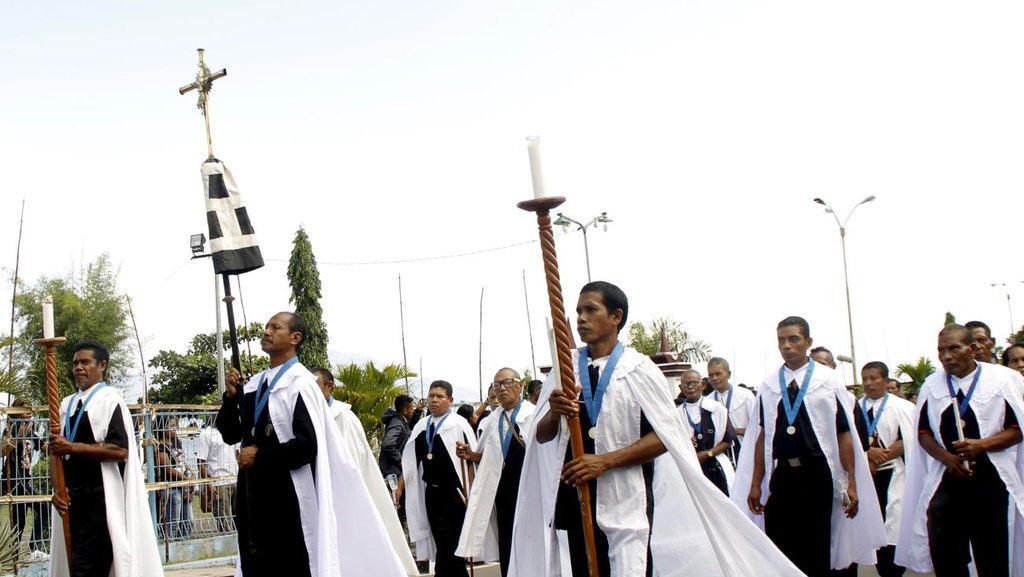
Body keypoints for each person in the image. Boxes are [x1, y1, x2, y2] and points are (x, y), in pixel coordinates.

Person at [511, 281, 807, 577]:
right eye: (578, 311)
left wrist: (605, 461)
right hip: (578, 498)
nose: (581, 319)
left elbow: (666, 437)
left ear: (616, 316)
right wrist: (554, 413)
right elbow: (543, 436)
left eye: (590, 310)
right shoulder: (566, 369)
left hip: (628, 499)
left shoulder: (638, 368)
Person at [218, 312, 405, 577]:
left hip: (288, 496)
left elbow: (307, 446)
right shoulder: (254, 385)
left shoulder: (301, 384)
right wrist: (230, 398)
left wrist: (260, 457)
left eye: (275, 327)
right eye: (266, 327)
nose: (267, 332)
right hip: (253, 494)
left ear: (295, 338)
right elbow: (231, 435)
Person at [733, 316, 885, 577]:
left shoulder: (827, 381)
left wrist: (851, 481)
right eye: (781, 340)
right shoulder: (770, 384)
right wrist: (756, 483)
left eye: (793, 339)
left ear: (808, 342)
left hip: (817, 475)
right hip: (783, 475)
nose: (786, 346)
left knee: (816, 548)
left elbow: (843, 434)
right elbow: (763, 435)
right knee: (781, 547)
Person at [896, 324, 1024, 576]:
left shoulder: (1003, 380)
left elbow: (1017, 429)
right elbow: (923, 433)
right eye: (941, 350)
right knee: (946, 557)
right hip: (948, 482)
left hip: (990, 482)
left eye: (954, 349)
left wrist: (981, 445)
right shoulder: (932, 385)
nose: (946, 356)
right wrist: (946, 458)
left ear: (973, 348)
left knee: (992, 558)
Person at [48, 340, 163, 577]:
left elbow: (120, 450)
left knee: (86, 566)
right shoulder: (67, 405)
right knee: (75, 564)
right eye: (75, 363)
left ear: (102, 365)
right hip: (72, 499)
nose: (78, 367)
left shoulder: (111, 401)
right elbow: (55, 451)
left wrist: (73, 447)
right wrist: (58, 489)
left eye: (85, 362)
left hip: (101, 499)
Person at [311, 367, 418, 576]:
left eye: (314, 387)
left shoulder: (342, 418)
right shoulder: (313, 416)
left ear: (329, 386)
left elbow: (350, 466)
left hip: (345, 499)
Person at [457, 368, 534, 577]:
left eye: (507, 382)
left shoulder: (532, 415)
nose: (501, 389)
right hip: (503, 492)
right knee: (507, 539)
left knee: (531, 539)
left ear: (520, 385)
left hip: (529, 489)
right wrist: (471, 455)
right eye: (496, 385)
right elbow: (487, 458)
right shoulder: (491, 421)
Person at [397, 380, 478, 577]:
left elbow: (471, 462)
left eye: (440, 396)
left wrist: (471, 493)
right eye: (431, 396)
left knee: (452, 546)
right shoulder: (422, 426)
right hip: (432, 494)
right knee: (440, 542)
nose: (434, 400)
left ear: (450, 400)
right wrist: (399, 488)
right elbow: (411, 462)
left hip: (455, 494)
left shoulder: (459, 425)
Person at [853, 362, 915, 577]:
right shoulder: (854, 408)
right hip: (865, 476)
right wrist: (868, 452)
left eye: (874, 378)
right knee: (870, 529)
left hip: (893, 473)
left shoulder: (903, 408)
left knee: (894, 528)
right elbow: (849, 439)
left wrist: (882, 456)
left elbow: (909, 439)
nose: (868, 384)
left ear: (886, 381)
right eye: (865, 379)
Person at [3, 399, 48, 558]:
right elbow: (3, 450)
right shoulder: (12, 429)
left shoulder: (31, 431)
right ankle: (32, 549)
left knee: (19, 521)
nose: (29, 413)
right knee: (44, 507)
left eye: (30, 410)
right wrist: (17, 438)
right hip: (15, 480)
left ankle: (13, 557)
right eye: (25, 410)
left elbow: (44, 447)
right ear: (16, 412)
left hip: (25, 479)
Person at [678, 369, 735, 495]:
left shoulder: (717, 409)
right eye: (686, 384)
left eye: (694, 383)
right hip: (690, 467)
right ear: (681, 388)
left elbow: (728, 441)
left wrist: (708, 454)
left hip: (716, 467)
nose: (690, 387)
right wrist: (685, 442)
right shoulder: (677, 414)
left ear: (702, 385)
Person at [707, 357, 755, 465]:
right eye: (711, 375)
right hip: (720, 453)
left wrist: (736, 431)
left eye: (718, 374)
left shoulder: (746, 396)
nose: (714, 378)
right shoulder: (707, 401)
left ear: (728, 374)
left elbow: (758, 428)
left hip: (745, 449)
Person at [196, 413, 237, 533]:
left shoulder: (233, 430)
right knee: (225, 523)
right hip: (219, 482)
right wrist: (209, 485)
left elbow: (238, 454)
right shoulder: (206, 434)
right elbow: (201, 462)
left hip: (236, 478)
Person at [155, 416, 193, 541]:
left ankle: (185, 542)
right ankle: (169, 542)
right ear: (162, 427)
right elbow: (168, 469)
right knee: (173, 520)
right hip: (171, 488)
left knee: (188, 519)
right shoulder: (160, 446)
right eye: (171, 426)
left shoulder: (176, 443)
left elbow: (183, 463)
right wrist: (186, 479)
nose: (174, 428)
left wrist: (190, 477)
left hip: (183, 486)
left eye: (175, 425)